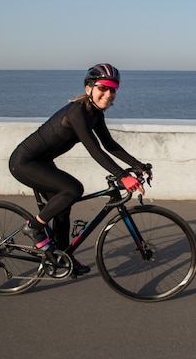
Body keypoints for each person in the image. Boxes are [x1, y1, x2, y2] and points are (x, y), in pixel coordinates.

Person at [9, 63, 150, 274]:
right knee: (73, 189)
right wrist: (122, 176)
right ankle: (34, 227)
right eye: (103, 88)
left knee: (63, 209)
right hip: (24, 163)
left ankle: (62, 257)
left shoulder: (95, 114)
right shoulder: (77, 112)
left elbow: (110, 145)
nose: (108, 94)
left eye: (113, 89)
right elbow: (94, 150)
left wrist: (138, 166)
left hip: (43, 162)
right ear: (88, 88)